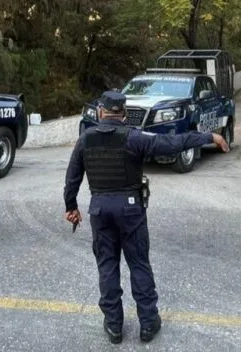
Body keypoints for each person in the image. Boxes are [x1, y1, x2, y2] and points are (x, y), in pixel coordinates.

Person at [64, 90, 229, 345]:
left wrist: (71, 206)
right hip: (130, 209)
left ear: (100, 112)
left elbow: (72, 176)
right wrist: (210, 136)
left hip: (100, 210)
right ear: (124, 114)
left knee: (107, 266)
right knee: (139, 264)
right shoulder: (135, 137)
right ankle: (148, 324)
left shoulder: (85, 139)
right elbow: (173, 143)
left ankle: (114, 326)